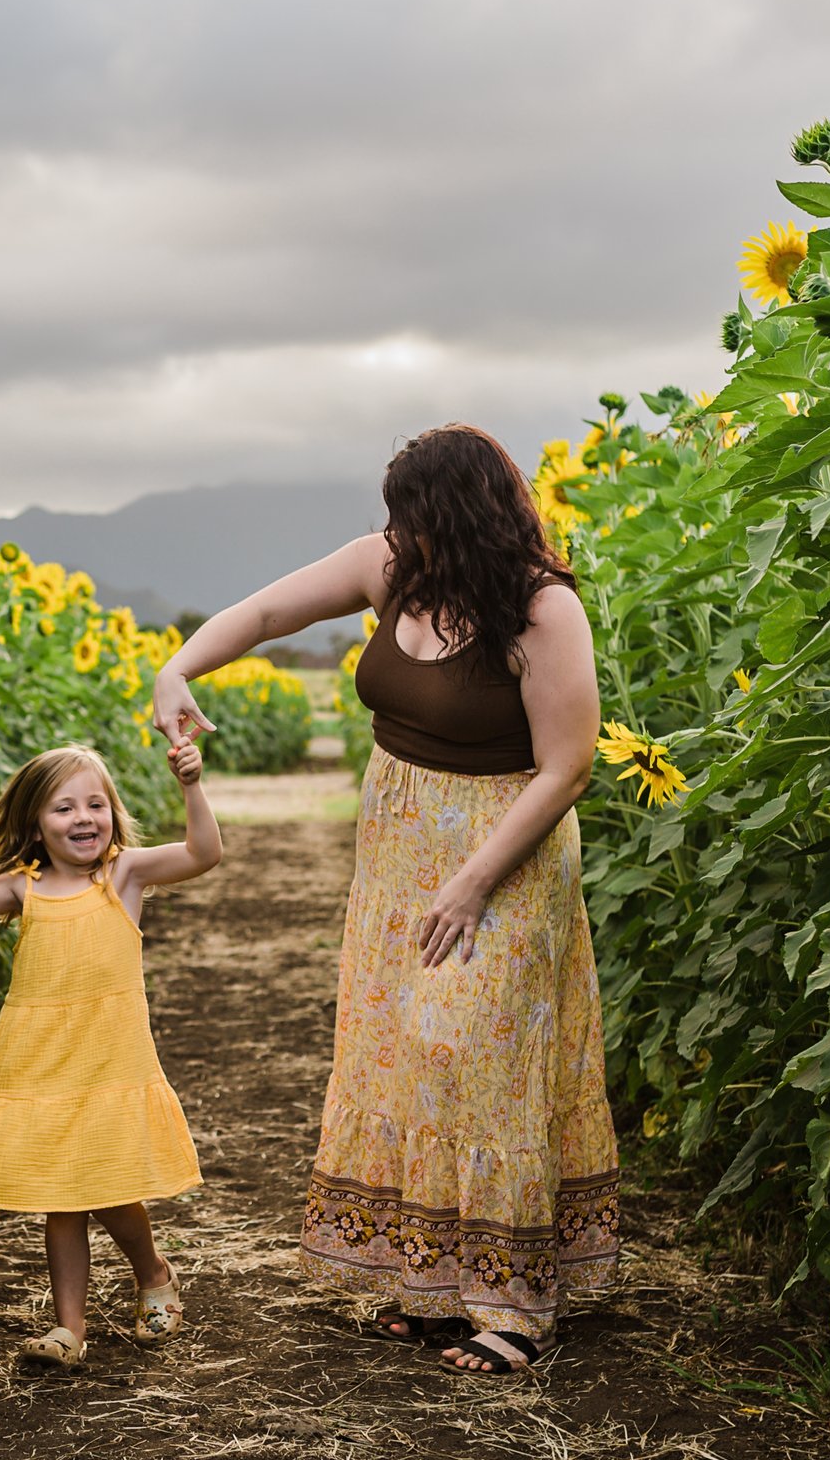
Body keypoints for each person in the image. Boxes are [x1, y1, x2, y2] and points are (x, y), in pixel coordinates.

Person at [151, 422, 618, 1376]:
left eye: (416, 520)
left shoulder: (543, 609)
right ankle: (436, 1286)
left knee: (480, 1055)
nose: (400, 537)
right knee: (411, 1053)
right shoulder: (391, 568)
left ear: (464, 516)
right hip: (399, 852)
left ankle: (518, 1305)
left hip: (507, 849)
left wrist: (476, 876)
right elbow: (269, 614)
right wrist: (180, 668)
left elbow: (568, 765)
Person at [0, 735, 220, 1367]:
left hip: (110, 1056)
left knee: (107, 1189)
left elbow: (202, 853)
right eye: (64, 808)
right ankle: (68, 1330)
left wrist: (191, 785)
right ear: (35, 824)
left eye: (95, 805)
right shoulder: (24, 888)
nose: (83, 819)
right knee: (63, 1195)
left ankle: (153, 1272)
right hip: (42, 1058)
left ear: (111, 813)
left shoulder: (121, 874)